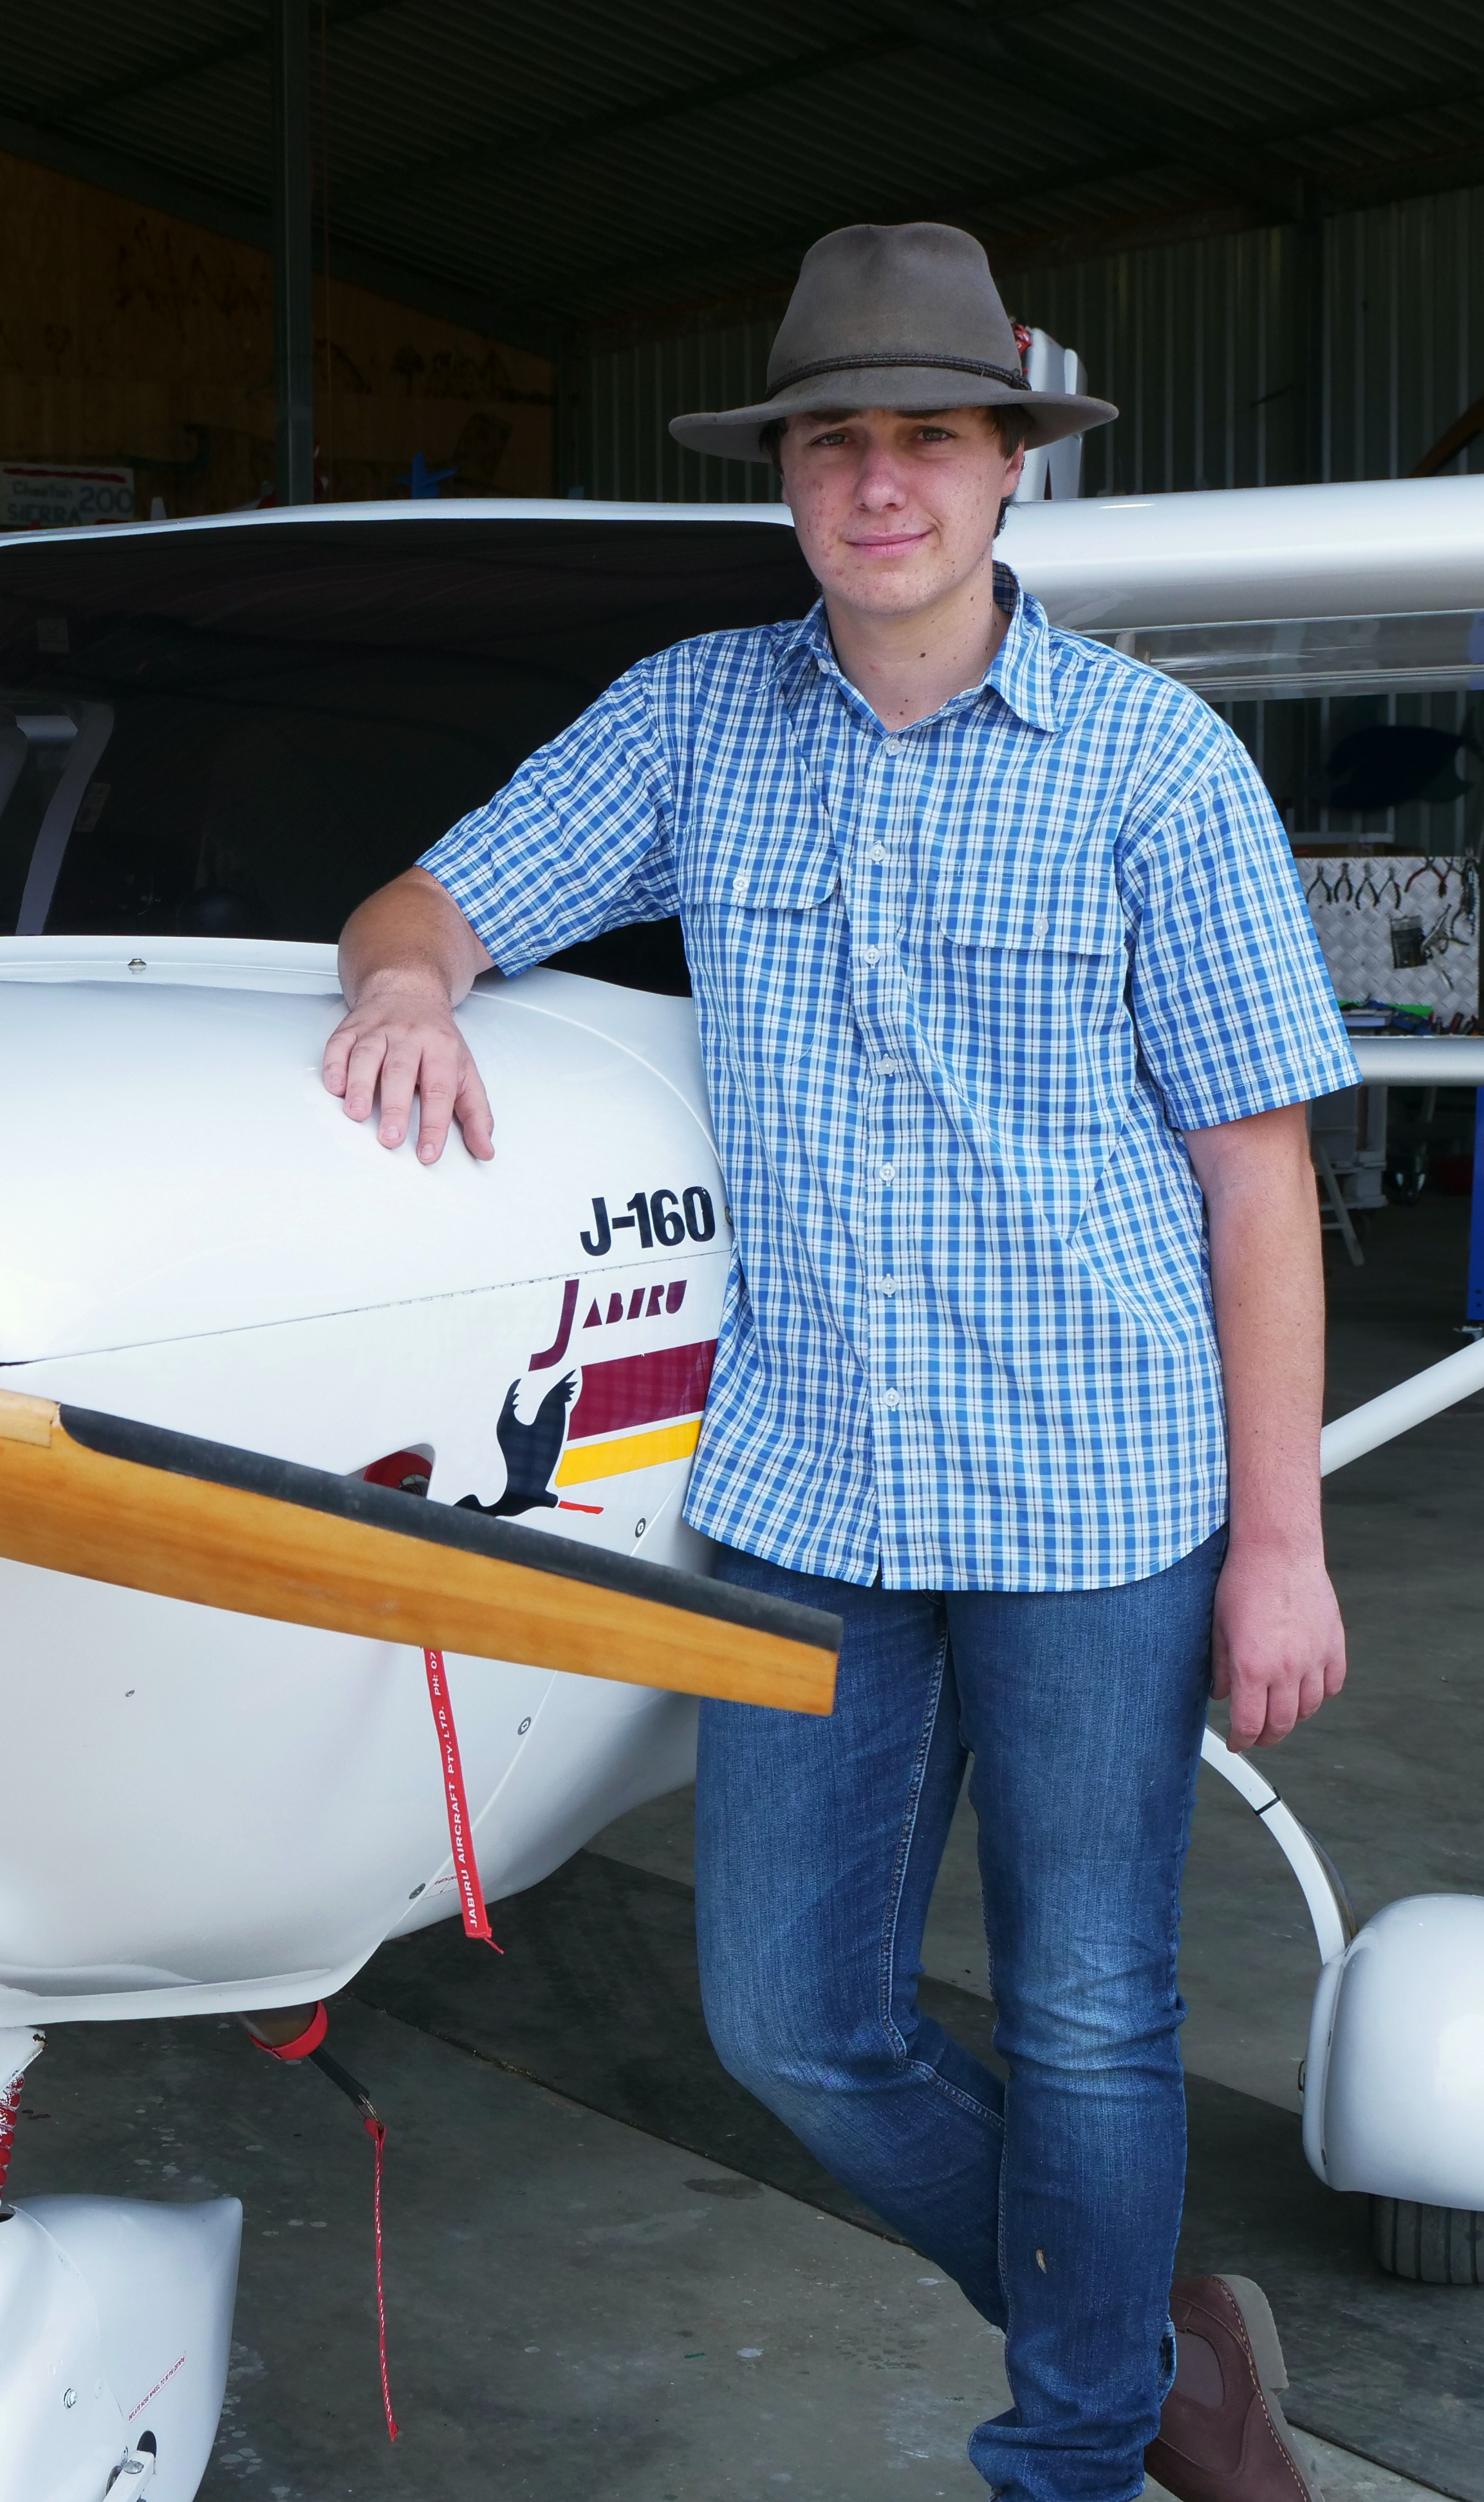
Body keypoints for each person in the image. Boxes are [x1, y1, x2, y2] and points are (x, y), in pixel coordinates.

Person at [321, 223, 1357, 2502]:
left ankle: (1076, 2448)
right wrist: (402, 985)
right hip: (807, 1500)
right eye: (835, 443)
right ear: (788, 479)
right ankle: (1146, 2335)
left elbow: (1261, 1182)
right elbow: (435, 895)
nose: (880, 483)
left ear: (1009, 475)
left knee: (1093, 2014)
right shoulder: (699, 720)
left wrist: (1281, 1549)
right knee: (791, 2022)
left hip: (1101, 1501)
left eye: (929, 439)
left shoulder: (1154, 770)